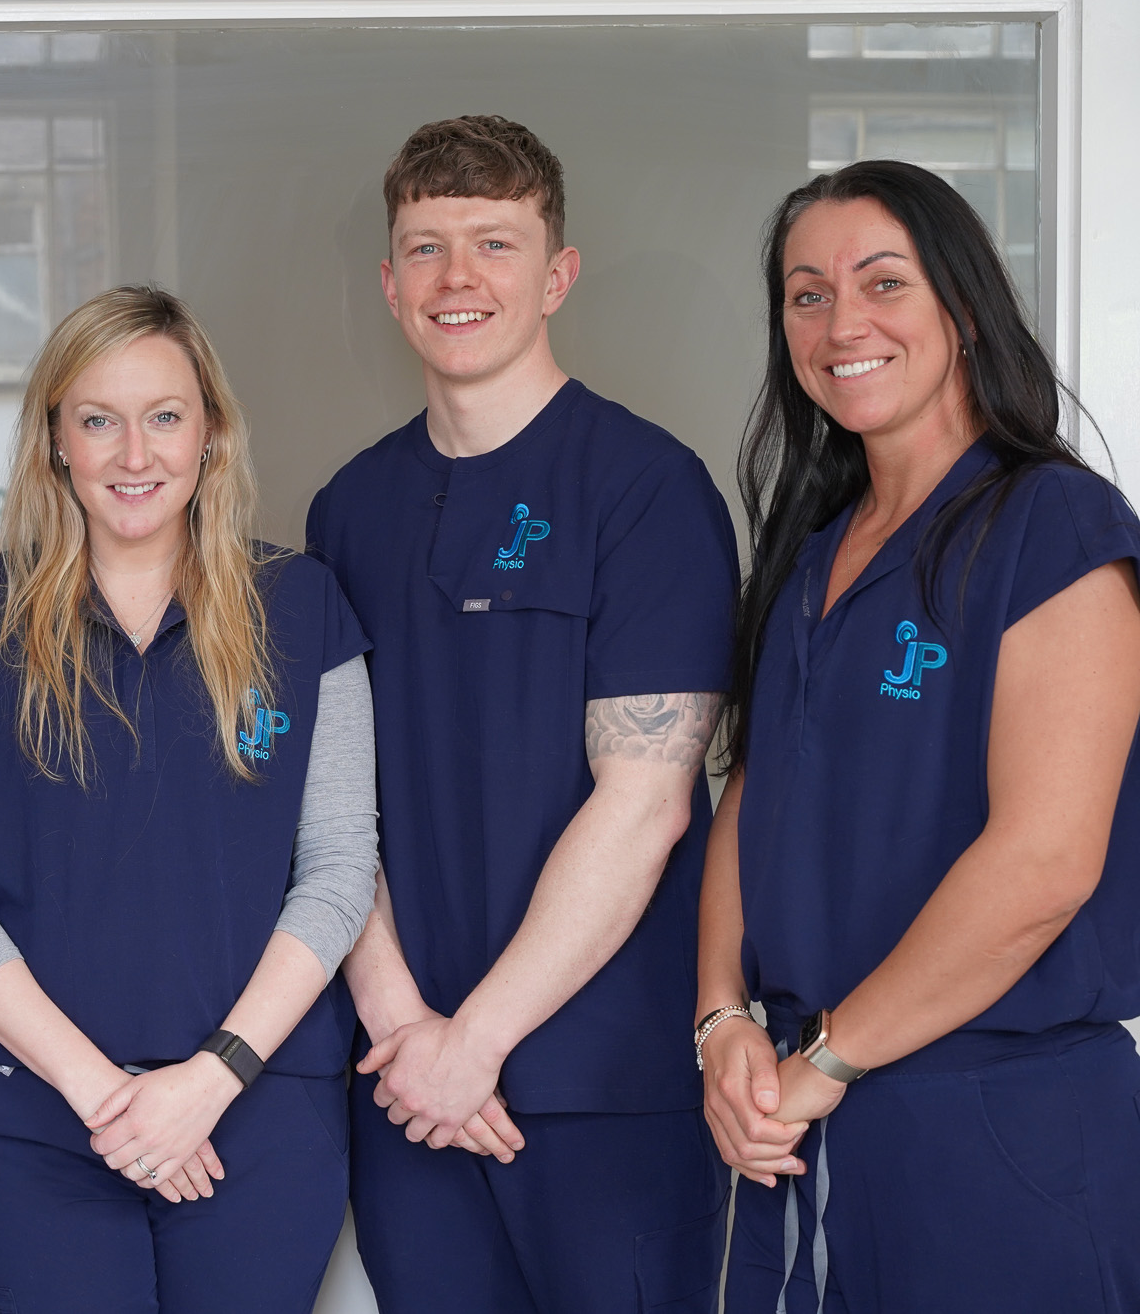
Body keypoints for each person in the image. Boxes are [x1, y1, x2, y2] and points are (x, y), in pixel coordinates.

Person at [304, 115, 738, 1312]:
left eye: (494, 244)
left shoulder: (646, 490)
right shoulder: (347, 512)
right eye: (426, 247)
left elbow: (645, 802)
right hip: (401, 1078)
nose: (458, 279)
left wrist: (474, 1041)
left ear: (555, 275)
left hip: (601, 1089)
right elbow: (329, 805)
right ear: (389, 282)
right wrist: (403, 1029)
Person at [700, 158, 1140, 1312]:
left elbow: (1042, 864)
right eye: (804, 293)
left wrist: (825, 1060)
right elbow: (752, 790)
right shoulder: (810, 551)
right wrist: (721, 1024)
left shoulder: (1052, 526)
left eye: (880, 282)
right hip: (800, 1119)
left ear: (959, 307)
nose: (840, 321)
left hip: (991, 1123)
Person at [0, 285, 378, 1313]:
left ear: (210, 436)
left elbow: (337, 867)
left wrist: (208, 1082)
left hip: (257, 1116)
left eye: (163, 416)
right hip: (35, 1121)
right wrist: (103, 1096)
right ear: (54, 442)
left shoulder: (303, 608)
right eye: (97, 420)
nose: (133, 454)